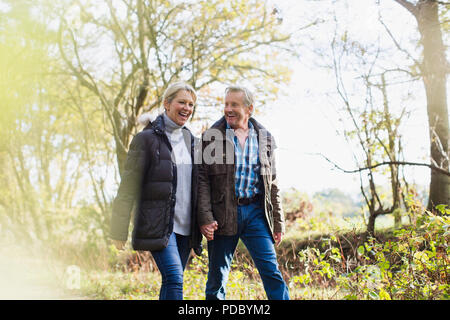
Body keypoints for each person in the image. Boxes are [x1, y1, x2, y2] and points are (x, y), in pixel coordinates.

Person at [109, 81, 202, 300]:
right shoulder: (146, 139)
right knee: (175, 278)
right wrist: (118, 229)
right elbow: (128, 185)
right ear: (166, 104)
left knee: (172, 280)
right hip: (159, 224)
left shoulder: (193, 142)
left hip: (186, 227)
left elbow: (201, 186)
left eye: (191, 104)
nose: (187, 108)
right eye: (182, 102)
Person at [197, 85, 289, 300]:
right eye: (226, 104)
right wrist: (205, 217)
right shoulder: (211, 137)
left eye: (234, 105)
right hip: (224, 213)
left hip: (256, 213)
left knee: (271, 271)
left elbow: (272, 183)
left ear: (249, 109)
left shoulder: (265, 138)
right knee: (217, 277)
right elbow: (202, 182)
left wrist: (278, 222)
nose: (228, 109)